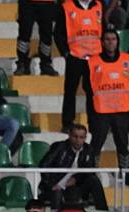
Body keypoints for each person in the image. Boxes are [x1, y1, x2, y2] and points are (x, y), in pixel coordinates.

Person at [55, 0, 102, 131]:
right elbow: (58, 33)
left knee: (93, 92)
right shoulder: (67, 6)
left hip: (94, 58)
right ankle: (67, 123)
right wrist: (65, 53)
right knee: (70, 90)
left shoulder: (98, 5)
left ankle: (94, 123)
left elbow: (101, 30)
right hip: (75, 56)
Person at [38, 124, 108, 210]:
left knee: (93, 180)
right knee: (57, 192)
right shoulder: (59, 147)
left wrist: (75, 179)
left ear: (85, 138)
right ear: (69, 135)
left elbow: (90, 171)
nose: (78, 140)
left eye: (81, 137)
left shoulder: (88, 149)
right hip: (56, 185)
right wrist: (51, 185)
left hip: (75, 187)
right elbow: (44, 165)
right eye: (75, 136)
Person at [88, 29, 129, 172]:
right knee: (97, 143)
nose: (110, 42)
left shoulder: (126, 60)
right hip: (101, 110)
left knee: (123, 143)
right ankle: (92, 172)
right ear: (102, 42)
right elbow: (88, 86)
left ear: (118, 42)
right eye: (107, 39)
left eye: (113, 39)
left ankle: (125, 173)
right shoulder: (93, 61)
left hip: (121, 110)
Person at [14, 0, 58, 76]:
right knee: (24, 33)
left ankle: (46, 64)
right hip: (27, 3)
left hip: (47, 2)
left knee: (47, 35)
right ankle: (22, 63)